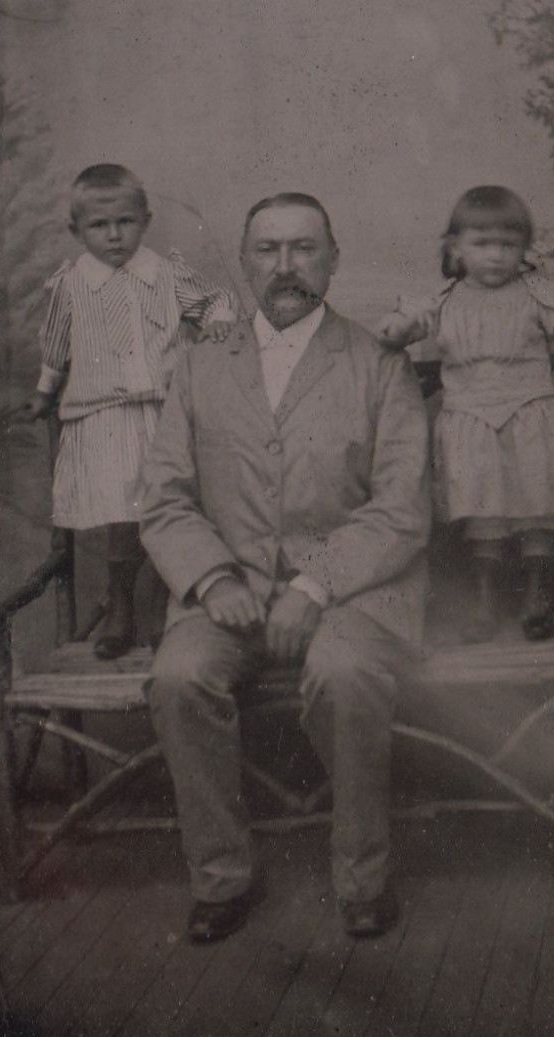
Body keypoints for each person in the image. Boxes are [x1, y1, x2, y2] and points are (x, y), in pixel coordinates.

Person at [140, 192, 431, 942]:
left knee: (343, 674)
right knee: (179, 678)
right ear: (243, 264)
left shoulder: (379, 367)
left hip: (350, 593)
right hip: (228, 591)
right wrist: (212, 579)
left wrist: (314, 584)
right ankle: (220, 877)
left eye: (304, 248)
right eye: (267, 250)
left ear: (333, 259)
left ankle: (364, 876)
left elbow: (401, 508)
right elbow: (164, 498)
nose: (286, 266)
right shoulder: (200, 368)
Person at [16, 164, 238, 659]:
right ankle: (120, 607)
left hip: (163, 414)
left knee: (169, 509)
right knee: (124, 514)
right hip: (105, 420)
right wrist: (44, 392)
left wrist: (219, 320)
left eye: (126, 222)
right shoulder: (70, 286)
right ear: (76, 231)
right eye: (99, 226)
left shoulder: (165, 272)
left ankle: (162, 610)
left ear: (145, 220)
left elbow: (217, 300)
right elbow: (55, 348)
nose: (114, 236)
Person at [378, 185, 554, 643]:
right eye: (482, 244)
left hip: (530, 419)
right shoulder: (441, 299)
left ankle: (536, 595)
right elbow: (390, 336)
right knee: (482, 517)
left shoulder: (536, 293)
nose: (496, 256)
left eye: (508, 245)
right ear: (456, 248)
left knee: (535, 511)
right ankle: (485, 600)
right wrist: (407, 327)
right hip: (469, 424)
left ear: (524, 249)